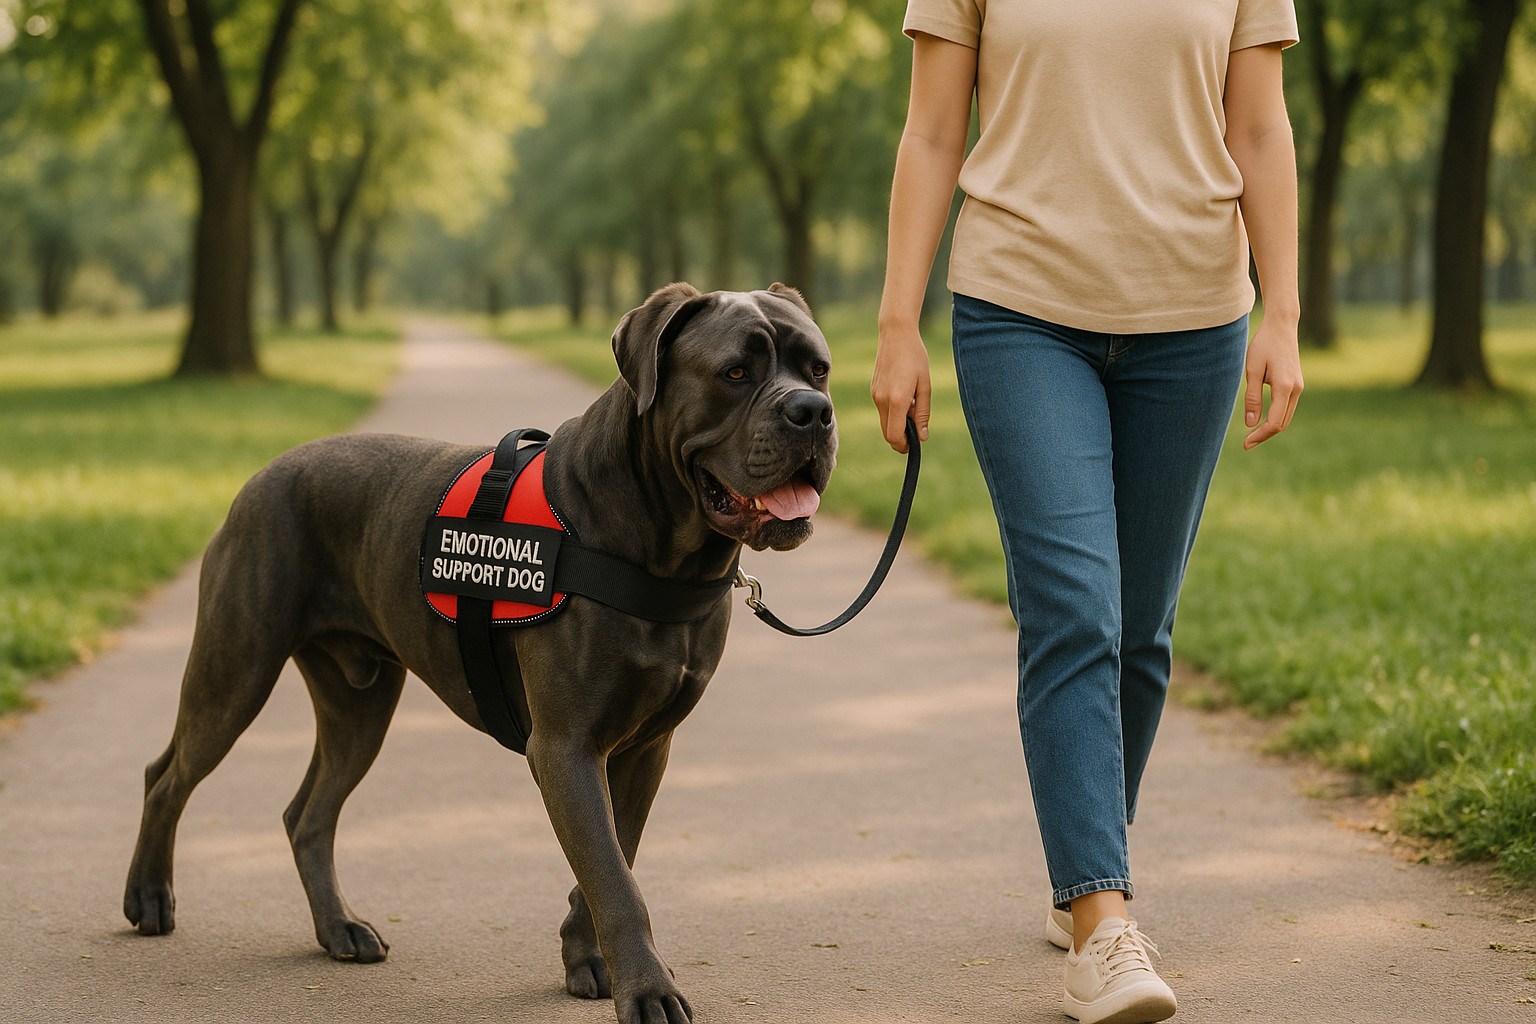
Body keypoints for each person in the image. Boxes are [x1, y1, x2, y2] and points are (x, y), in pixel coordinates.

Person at [871, 2, 1303, 1022]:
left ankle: (1085, 866)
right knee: (1076, 611)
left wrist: (1279, 309)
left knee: (1141, 632)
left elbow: (1259, 126)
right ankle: (1104, 924)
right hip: (1019, 309)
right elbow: (933, 129)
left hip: (1193, 320)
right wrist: (897, 319)